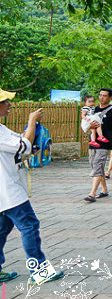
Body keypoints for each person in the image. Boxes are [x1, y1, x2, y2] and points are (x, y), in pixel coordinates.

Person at [0, 93, 64, 285]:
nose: (9, 104)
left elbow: (22, 141)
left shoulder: (1, 128)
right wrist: (32, 121)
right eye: (5, 102)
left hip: (7, 189)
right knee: (29, 225)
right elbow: (23, 146)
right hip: (8, 190)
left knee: (2, 229)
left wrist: (33, 132)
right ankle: (39, 271)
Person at [85, 89, 112, 202]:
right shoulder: (93, 109)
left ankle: (92, 193)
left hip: (105, 143)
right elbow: (86, 124)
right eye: (100, 95)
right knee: (95, 165)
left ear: (110, 97)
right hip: (94, 142)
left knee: (97, 165)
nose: (101, 97)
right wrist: (89, 124)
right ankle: (104, 190)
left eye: (104, 96)